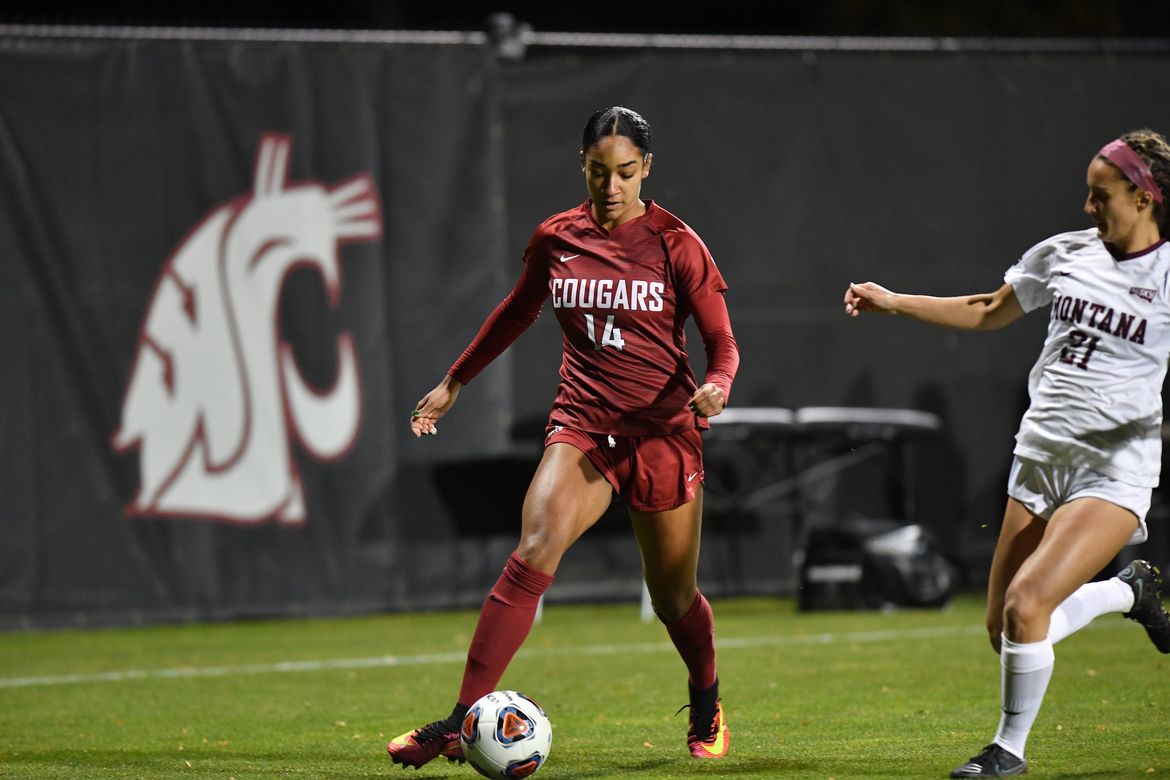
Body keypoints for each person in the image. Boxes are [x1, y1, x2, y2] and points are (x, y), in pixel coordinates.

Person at [387, 106, 740, 769]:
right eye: (599, 172)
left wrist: (718, 385)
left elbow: (723, 342)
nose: (612, 187)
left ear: (647, 170)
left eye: (626, 173)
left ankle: (706, 696)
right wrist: (454, 381)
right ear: (582, 165)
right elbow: (517, 309)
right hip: (583, 426)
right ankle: (460, 722)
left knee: (672, 598)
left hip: (662, 435)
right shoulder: (557, 238)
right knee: (535, 546)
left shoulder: (677, 243)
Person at [844, 129, 1170, 778]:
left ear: (1143, 197)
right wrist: (894, 302)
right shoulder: (1065, 253)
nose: (1085, 207)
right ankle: (1130, 594)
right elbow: (990, 310)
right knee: (1007, 630)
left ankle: (1007, 753)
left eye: (1099, 195)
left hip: (1113, 467)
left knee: (1028, 607)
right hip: (1039, 457)